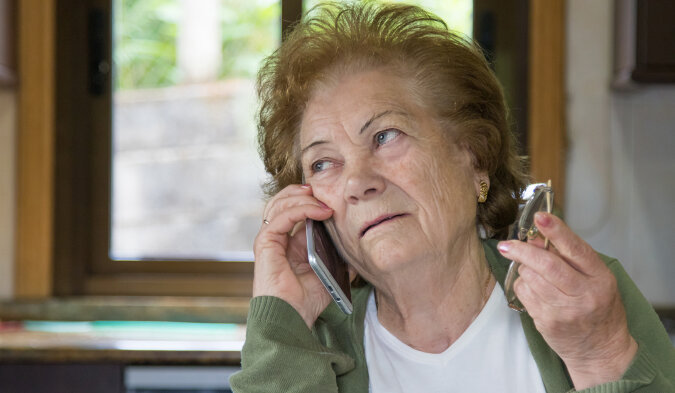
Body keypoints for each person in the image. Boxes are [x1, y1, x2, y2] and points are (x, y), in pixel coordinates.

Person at [229, 2, 675, 392]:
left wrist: (599, 355)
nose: (357, 182)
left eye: (385, 136)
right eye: (323, 163)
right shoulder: (313, 343)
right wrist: (281, 330)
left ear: (474, 157)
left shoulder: (583, 301)